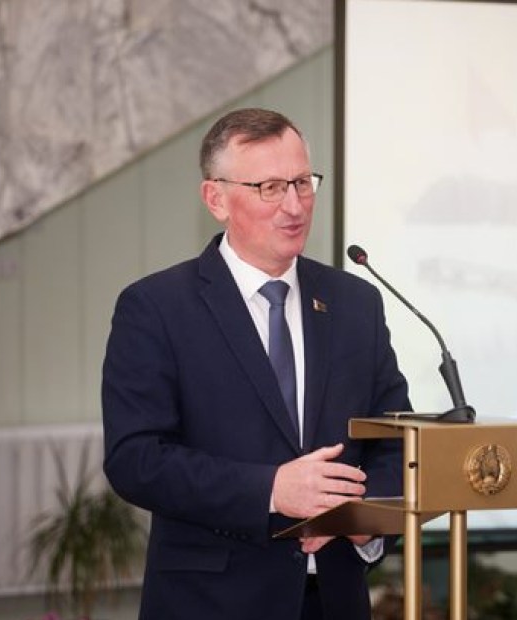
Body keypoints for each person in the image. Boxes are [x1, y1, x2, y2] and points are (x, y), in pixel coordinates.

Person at [101, 108, 411, 620]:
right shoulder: (156, 307)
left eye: (303, 183)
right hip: (210, 603)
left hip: (334, 602)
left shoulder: (355, 303)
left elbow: (397, 443)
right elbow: (136, 459)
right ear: (216, 199)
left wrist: (361, 517)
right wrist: (270, 490)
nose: (294, 205)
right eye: (270, 187)